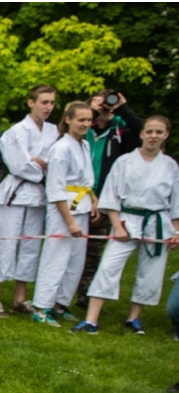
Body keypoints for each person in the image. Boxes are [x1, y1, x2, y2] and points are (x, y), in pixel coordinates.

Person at [72, 116, 179, 335]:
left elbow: (175, 202)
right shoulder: (124, 162)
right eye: (149, 132)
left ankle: (134, 318)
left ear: (166, 135)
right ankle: (91, 319)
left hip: (157, 223)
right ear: (141, 134)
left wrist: (176, 231)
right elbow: (110, 196)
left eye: (159, 132)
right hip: (126, 220)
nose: (153, 136)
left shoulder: (170, 166)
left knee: (149, 273)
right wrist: (117, 225)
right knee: (108, 267)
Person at [0, 85, 59, 318]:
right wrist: (39, 164)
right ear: (31, 103)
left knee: (30, 246)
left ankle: (20, 298)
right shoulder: (15, 132)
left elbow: (55, 161)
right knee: (5, 243)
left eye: (51, 103)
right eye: (44, 102)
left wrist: (41, 162)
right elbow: (18, 165)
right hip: (15, 194)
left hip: (39, 196)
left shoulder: (53, 131)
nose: (48, 107)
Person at [75, 90, 145, 308]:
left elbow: (146, 131)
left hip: (105, 197)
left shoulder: (121, 129)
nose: (105, 109)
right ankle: (59, 294)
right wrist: (92, 112)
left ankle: (85, 295)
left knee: (94, 250)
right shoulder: (82, 130)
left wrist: (122, 108)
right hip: (77, 195)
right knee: (72, 248)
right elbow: (64, 130)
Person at [31, 102, 97, 327]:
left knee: (75, 259)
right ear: (68, 120)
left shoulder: (85, 145)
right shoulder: (61, 149)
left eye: (88, 120)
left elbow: (86, 180)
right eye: (81, 120)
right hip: (64, 208)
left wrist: (93, 200)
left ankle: (60, 303)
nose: (85, 125)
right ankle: (41, 306)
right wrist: (69, 221)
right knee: (56, 257)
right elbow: (56, 188)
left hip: (82, 204)